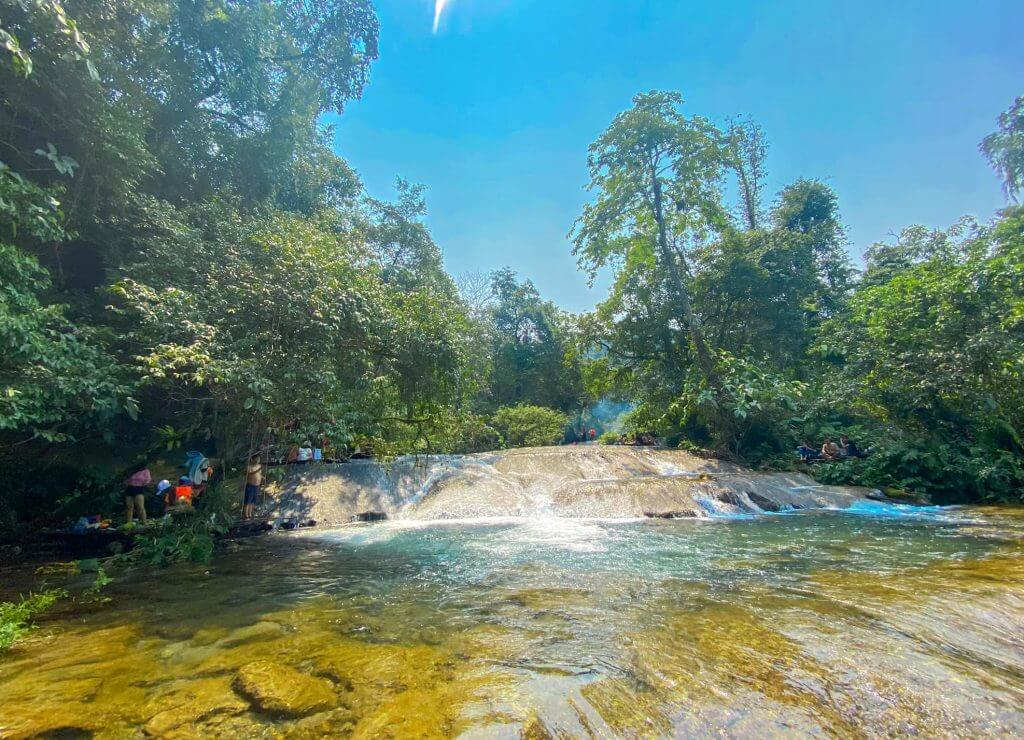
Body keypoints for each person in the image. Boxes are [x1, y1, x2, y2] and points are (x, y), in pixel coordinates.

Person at [243, 455, 263, 520]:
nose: (258, 461)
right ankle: (246, 515)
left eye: (259, 459)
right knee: (247, 501)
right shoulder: (249, 467)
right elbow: (249, 474)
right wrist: (257, 470)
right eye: (257, 459)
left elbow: (259, 474)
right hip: (250, 486)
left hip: (256, 486)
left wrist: (262, 477)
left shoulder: (259, 466)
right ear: (252, 459)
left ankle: (250, 514)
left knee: (253, 501)